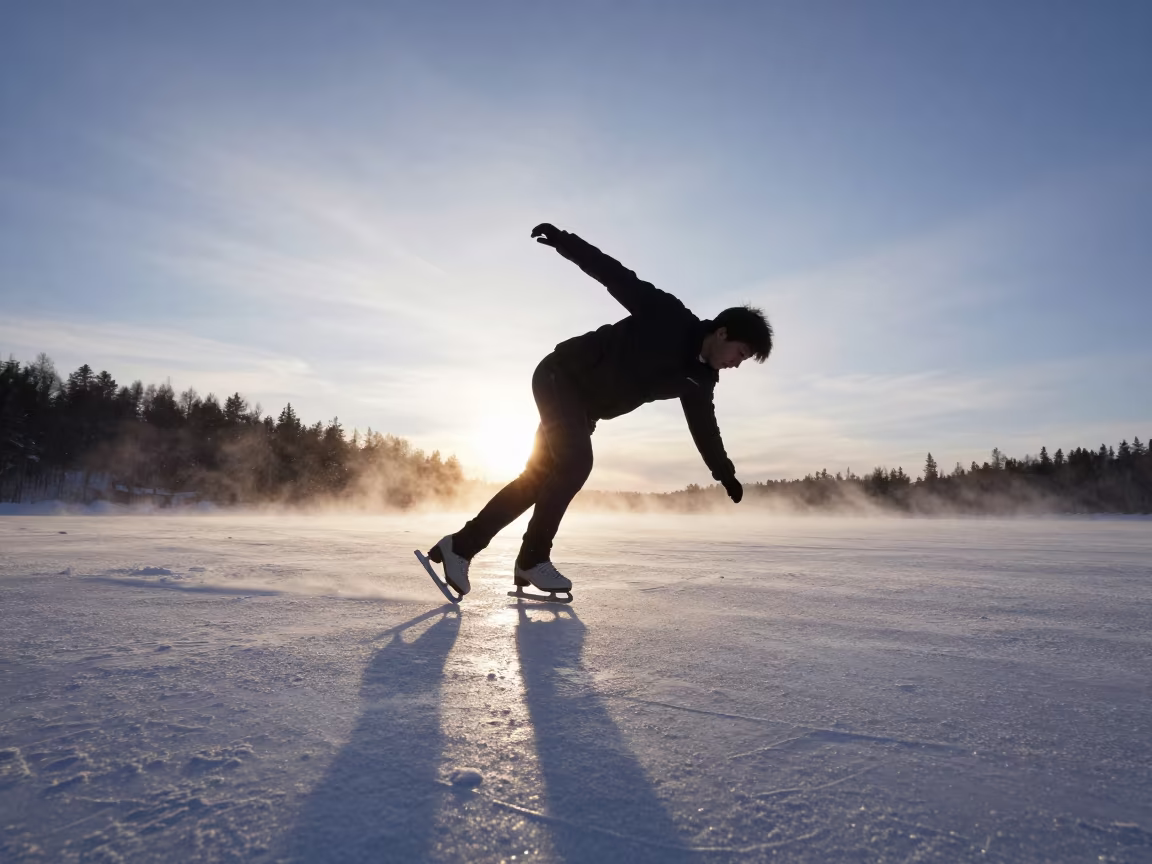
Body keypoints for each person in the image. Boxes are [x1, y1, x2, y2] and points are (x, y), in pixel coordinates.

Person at [426, 223, 773, 598]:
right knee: (575, 465)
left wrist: (724, 474)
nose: (738, 364)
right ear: (722, 332)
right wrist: (563, 241)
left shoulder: (700, 380)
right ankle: (532, 559)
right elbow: (615, 275)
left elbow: (704, 426)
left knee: (537, 480)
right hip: (561, 375)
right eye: (741, 353)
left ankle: (459, 547)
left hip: (585, 409)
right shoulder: (670, 317)